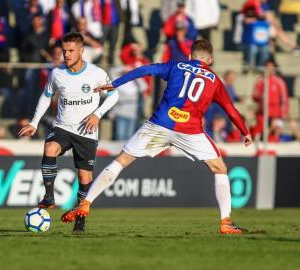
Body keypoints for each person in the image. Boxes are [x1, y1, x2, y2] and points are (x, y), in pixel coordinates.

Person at [61, 39, 253, 235]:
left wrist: (115, 84)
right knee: (219, 168)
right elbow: (231, 110)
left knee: (122, 160)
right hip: (190, 130)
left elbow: (145, 70)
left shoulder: (176, 65)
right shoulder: (214, 80)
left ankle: (85, 203)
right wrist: (245, 132)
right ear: (210, 60)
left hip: (159, 124)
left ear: (189, 56)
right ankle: (225, 222)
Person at [18, 32, 119, 233]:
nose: (67, 54)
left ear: (82, 51)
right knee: (50, 147)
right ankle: (49, 196)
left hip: (87, 132)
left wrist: (97, 115)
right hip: (63, 126)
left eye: (71, 51)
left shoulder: (96, 73)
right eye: (64, 51)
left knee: (84, 177)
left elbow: (113, 95)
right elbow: (46, 97)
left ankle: (80, 218)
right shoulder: (57, 74)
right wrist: (35, 123)